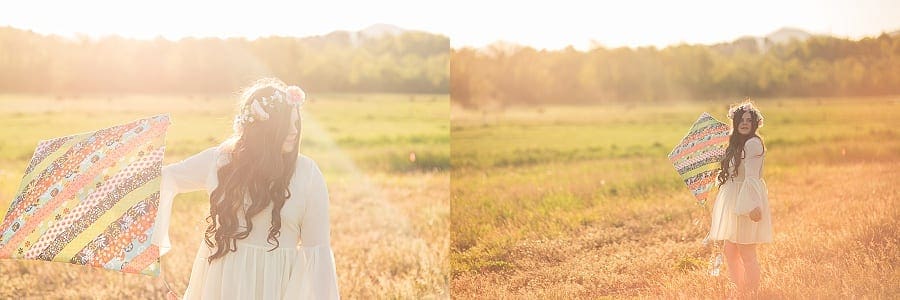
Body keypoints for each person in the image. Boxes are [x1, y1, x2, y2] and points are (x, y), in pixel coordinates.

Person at [151, 78, 340, 299]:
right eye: (285, 124)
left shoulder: (307, 174)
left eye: (296, 123)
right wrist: (115, 168)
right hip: (222, 284)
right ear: (262, 128)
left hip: (275, 288)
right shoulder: (220, 161)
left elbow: (316, 253)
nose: (293, 131)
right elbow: (167, 177)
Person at [707, 101, 772, 296]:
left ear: (754, 124)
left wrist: (752, 205)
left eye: (748, 120)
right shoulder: (736, 143)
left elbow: (751, 177)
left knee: (746, 251)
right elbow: (733, 172)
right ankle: (740, 288)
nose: (744, 123)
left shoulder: (752, 143)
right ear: (735, 122)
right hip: (734, 196)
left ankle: (752, 292)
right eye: (741, 120)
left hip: (746, 199)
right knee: (730, 250)